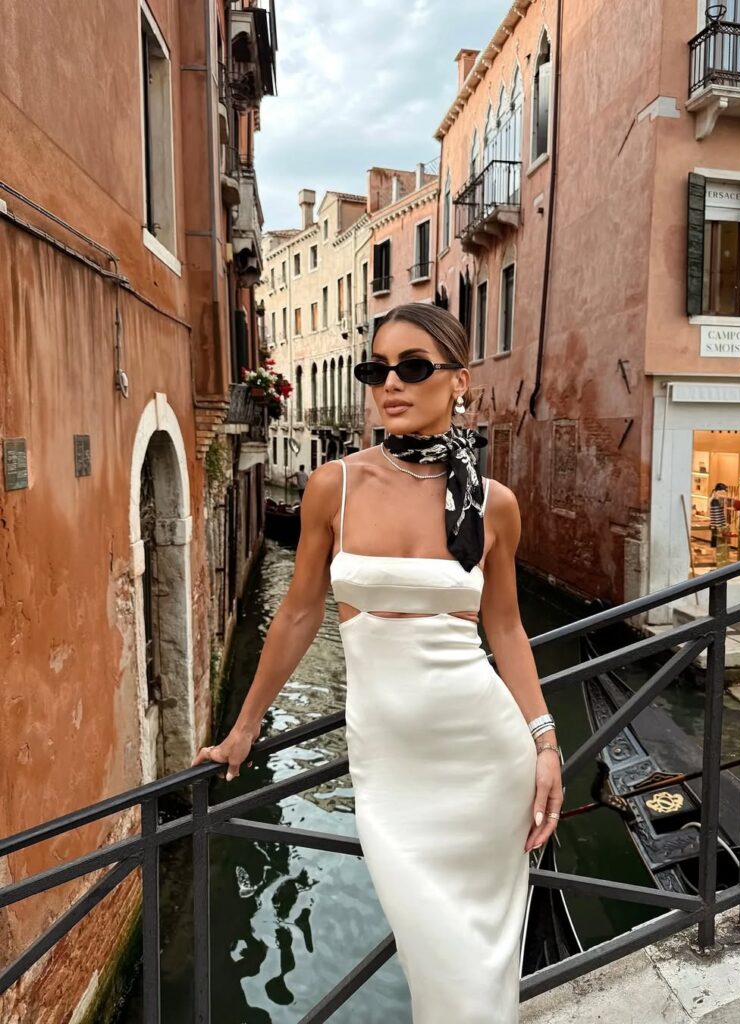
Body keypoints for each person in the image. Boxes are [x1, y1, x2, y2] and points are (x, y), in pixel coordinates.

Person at [194, 302, 563, 1022]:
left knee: (477, 978)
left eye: (413, 367)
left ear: (459, 381)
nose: (389, 384)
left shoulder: (494, 505)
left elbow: (508, 630)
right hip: (389, 771)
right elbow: (299, 614)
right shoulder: (335, 485)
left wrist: (544, 742)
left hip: (486, 760)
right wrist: (245, 727)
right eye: (376, 369)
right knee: (437, 957)